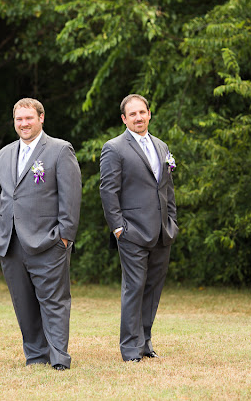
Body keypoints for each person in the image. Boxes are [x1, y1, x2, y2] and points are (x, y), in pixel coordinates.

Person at [0, 98, 81, 370]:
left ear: (41, 118)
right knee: (23, 302)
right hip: (10, 242)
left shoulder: (60, 150)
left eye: (29, 118)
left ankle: (59, 357)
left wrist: (64, 236)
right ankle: (35, 355)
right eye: (19, 119)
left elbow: (71, 198)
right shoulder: (5, 154)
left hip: (48, 241)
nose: (24, 123)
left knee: (54, 301)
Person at [99, 94, 178, 362]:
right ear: (124, 119)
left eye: (142, 112)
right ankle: (130, 348)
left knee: (153, 289)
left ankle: (145, 342)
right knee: (134, 287)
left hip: (161, 232)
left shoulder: (161, 145)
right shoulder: (114, 148)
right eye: (132, 114)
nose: (138, 117)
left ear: (149, 114)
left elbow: (167, 188)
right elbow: (108, 191)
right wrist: (118, 228)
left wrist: (172, 222)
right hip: (132, 232)